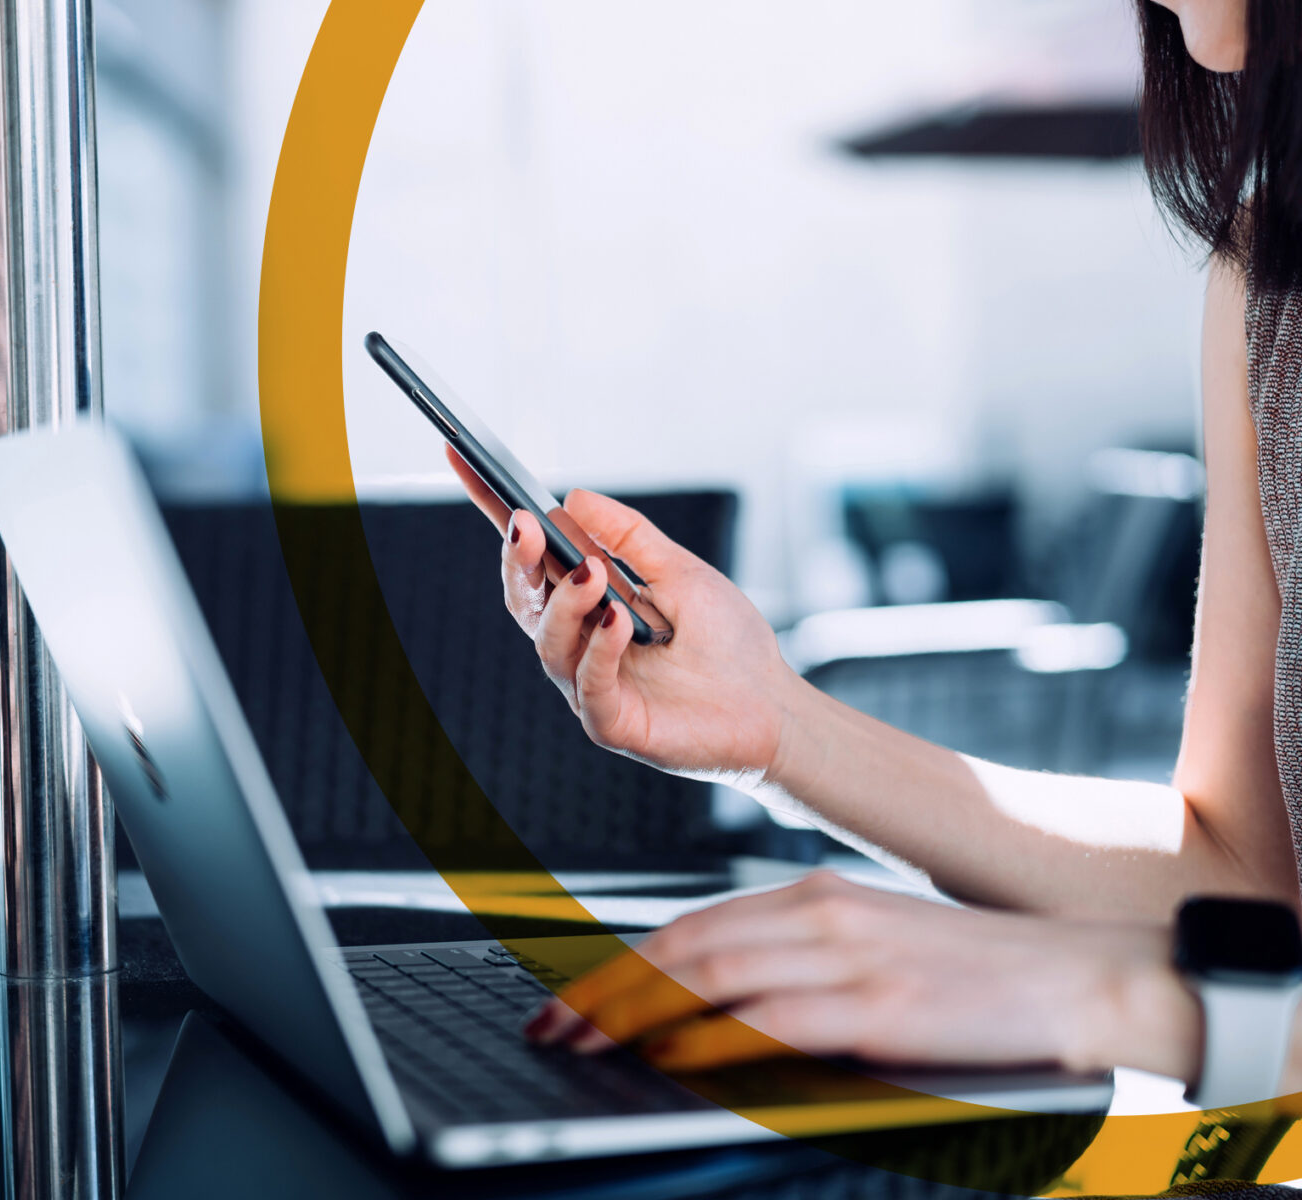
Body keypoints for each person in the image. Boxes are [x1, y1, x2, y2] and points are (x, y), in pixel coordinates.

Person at [453, 0, 1302, 1094]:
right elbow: (1242, 884)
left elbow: (1212, 964)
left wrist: (1127, 992)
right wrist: (779, 727)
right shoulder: (1268, 279)